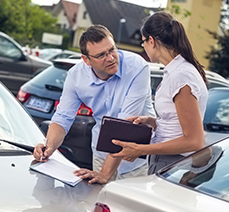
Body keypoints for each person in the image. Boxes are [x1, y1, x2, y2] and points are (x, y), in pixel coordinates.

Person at [33, 24, 156, 184]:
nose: (111, 58)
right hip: (102, 154)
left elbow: (125, 126)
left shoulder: (137, 67)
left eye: (112, 50)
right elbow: (62, 118)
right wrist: (48, 148)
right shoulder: (76, 76)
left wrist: (105, 174)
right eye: (101, 55)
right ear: (86, 59)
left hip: (137, 161)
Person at [111, 11, 209, 174]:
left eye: (143, 42)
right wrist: (152, 121)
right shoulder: (176, 70)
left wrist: (140, 149)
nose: (143, 46)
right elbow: (177, 124)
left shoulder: (181, 75)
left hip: (173, 163)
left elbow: (194, 141)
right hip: (169, 160)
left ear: (152, 41)